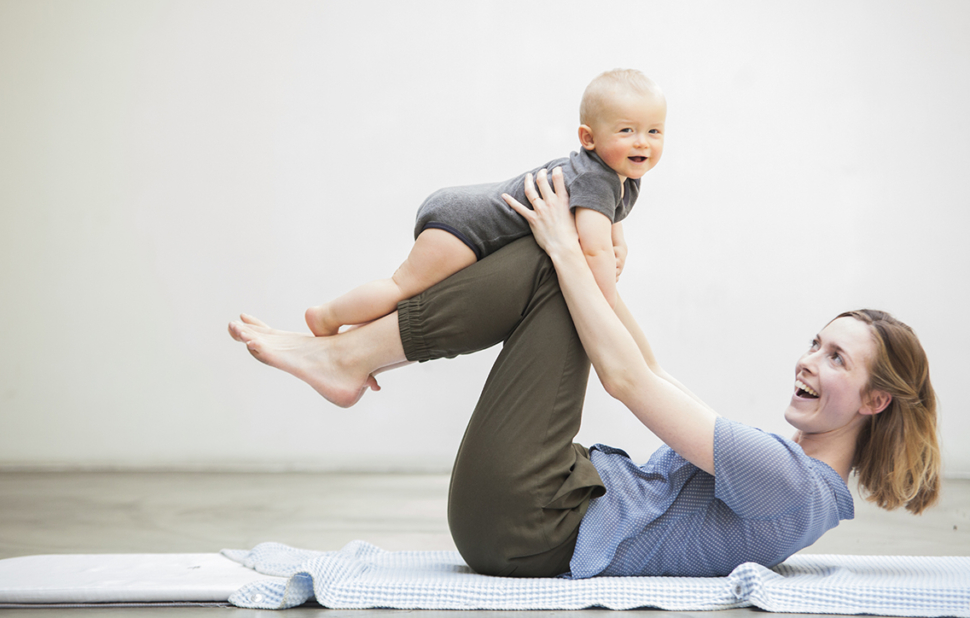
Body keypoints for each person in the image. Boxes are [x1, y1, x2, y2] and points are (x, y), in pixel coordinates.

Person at [228, 168, 941, 579]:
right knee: (560, 264)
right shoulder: (794, 479)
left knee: (551, 263)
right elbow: (651, 369)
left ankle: (348, 356)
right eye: (816, 343)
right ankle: (349, 356)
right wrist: (597, 273)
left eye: (836, 358)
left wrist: (571, 253)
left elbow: (628, 382)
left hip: (531, 519)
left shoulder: (788, 483)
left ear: (876, 400)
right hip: (534, 510)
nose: (808, 360)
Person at [303, 68, 666, 337]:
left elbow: (608, 220)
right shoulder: (596, 179)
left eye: (654, 131)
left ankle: (350, 339)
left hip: (465, 213)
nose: (642, 142)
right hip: (464, 225)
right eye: (627, 131)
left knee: (414, 296)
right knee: (402, 287)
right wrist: (604, 308)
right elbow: (594, 250)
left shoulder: (619, 176)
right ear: (588, 138)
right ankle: (327, 316)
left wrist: (620, 245)